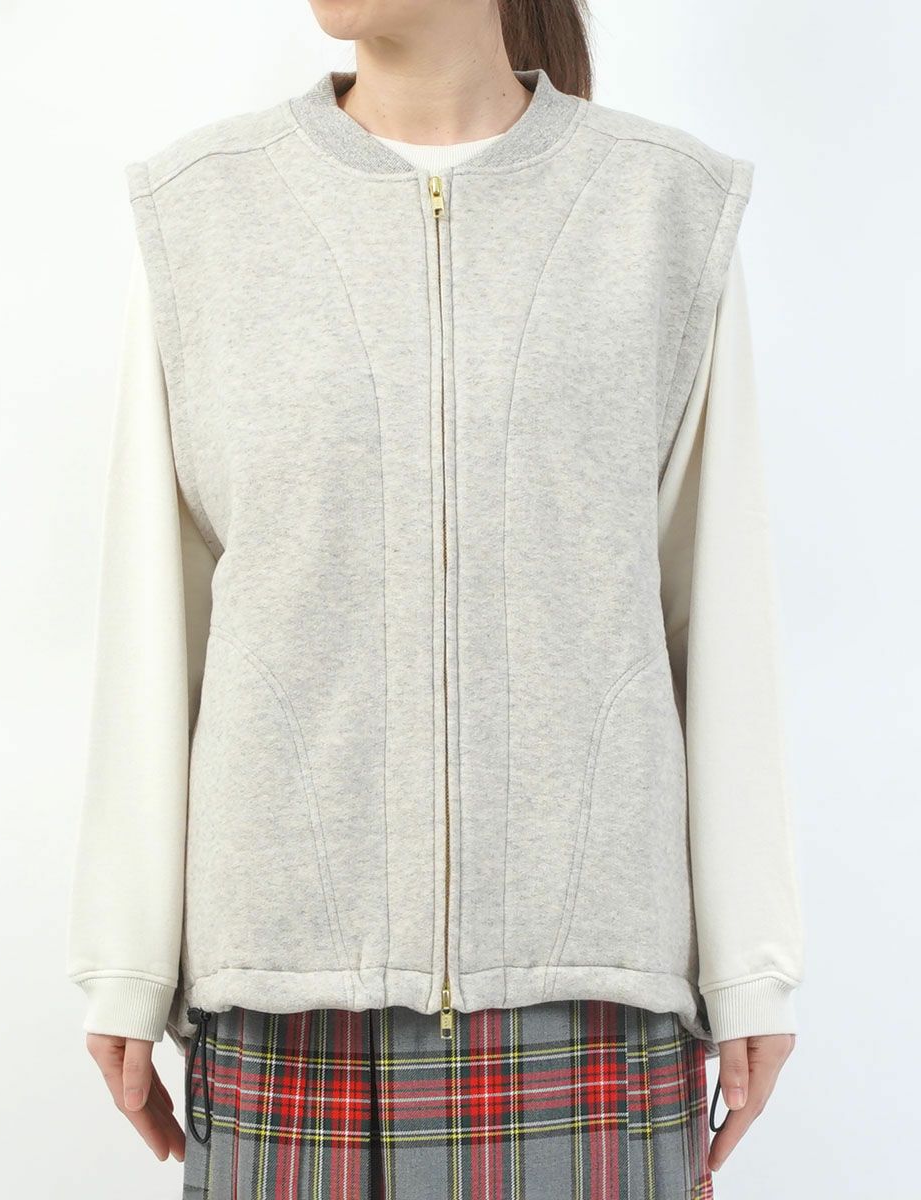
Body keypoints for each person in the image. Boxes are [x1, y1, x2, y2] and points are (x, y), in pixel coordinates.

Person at [66, 1, 805, 1195]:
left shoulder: (659, 210)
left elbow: (712, 609)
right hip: (287, 1002)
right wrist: (127, 957)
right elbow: (157, 611)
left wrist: (748, 968)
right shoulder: (203, 212)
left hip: (588, 1001)